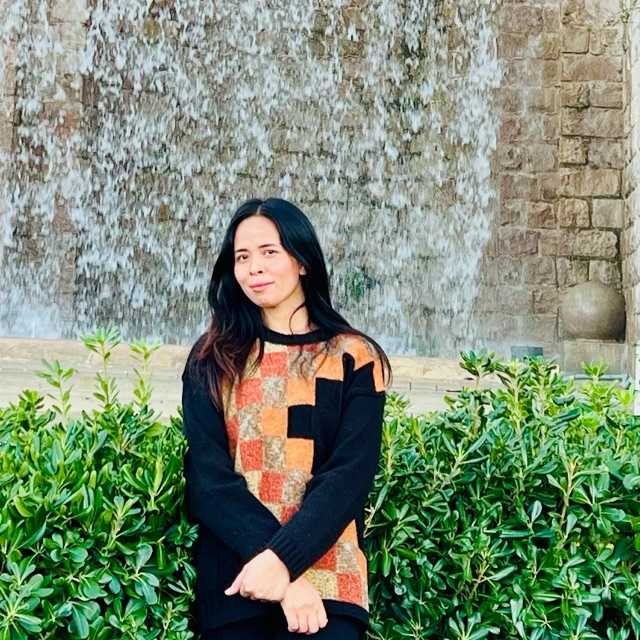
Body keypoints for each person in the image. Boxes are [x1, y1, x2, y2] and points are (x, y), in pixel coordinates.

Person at [180, 197, 392, 639]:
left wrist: (284, 561)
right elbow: (208, 482)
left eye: (269, 252)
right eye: (242, 257)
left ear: (302, 261)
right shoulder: (213, 359)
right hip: (238, 579)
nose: (254, 268)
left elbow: (348, 477)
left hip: (330, 582)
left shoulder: (353, 357)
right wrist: (280, 573)